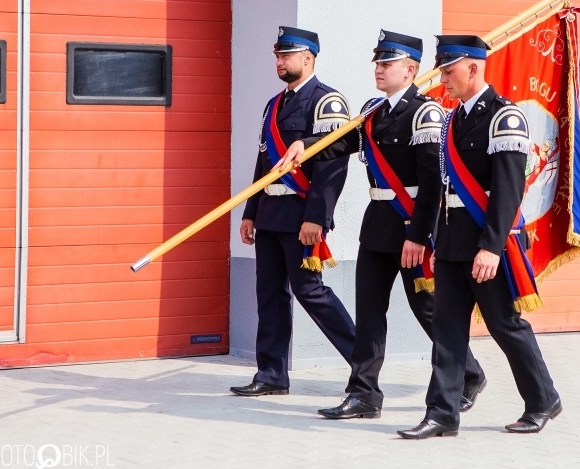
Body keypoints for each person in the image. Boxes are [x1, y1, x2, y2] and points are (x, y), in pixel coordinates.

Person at [275, 30, 486, 419]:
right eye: (378, 63)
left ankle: (469, 374)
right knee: (370, 313)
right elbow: (343, 142)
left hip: (410, 227)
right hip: (376, 227)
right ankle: (364, 394)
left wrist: (420, 236)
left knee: (429, 310)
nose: (379, 69)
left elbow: (432, 184)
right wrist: (307, 143)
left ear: (410, 70)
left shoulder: (426, 114)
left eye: (387, 63)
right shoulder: (374, 110)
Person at [397, 35, 561, 439]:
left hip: (491, 244)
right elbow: (444, 189)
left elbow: (508, 191)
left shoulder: (504, 117)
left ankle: (543, 400)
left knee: (505, 325)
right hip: (453, 242)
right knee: (448, 328)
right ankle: (442, 414)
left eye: (448, 71)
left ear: (473, 68)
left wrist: (490, 247)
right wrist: (436, 243)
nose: (443, 80)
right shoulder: (452, 120)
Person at [230, 26, 356, 397]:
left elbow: (334, 168)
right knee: (269, 294)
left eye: (287, 55)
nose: (280, 61)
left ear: (308, 58)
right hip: (270, 211)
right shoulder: (274, 104)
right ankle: (271, 374)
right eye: (277, 56)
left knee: (310, 292)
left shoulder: (326, 102)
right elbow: (264, 161)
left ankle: (364, 362)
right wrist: (250, 211)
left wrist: (317, 217)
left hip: (301, 215)